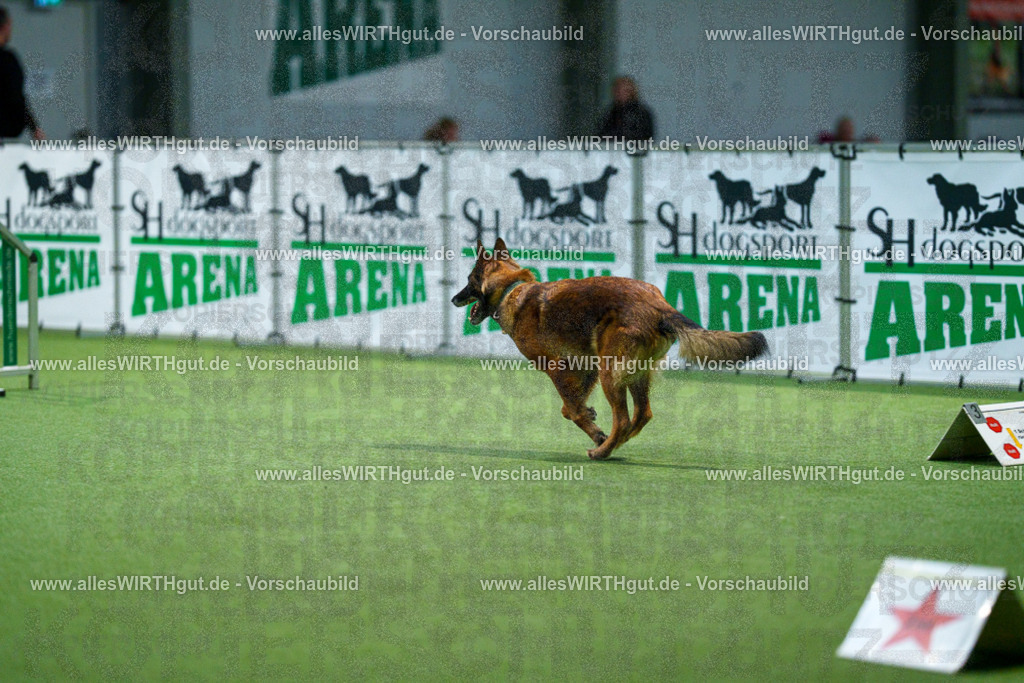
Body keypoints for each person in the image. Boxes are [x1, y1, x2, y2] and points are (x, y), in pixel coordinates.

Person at [0, 6, 44, 140]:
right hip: (5, 130)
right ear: (5, 27)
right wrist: (33, 126)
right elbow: (16, 97)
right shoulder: (7, 60)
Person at [598, 76, 654, 141]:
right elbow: (600, 134)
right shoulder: (610, 112)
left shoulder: (641, 113)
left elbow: (643, 136)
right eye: (617, 90)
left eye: (624, 90)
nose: (619, 93)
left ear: (631, 92)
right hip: (609, 148)